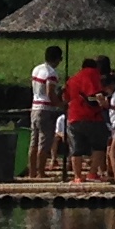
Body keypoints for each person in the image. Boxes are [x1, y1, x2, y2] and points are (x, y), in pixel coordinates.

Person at [62, 52, 110, 181]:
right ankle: (92, 172)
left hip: (73, 117)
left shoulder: (72, 79)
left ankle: (77, 176)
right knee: (99, 145)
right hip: (91, 116)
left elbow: (65, 98)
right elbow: (96, 93)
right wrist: (105, 104)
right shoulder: (92, 74)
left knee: (76, 148)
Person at [27, 42, 66, 178]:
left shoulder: (37, 69)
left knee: (34, 141)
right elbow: (50, 92)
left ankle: (32, 171)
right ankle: (41, 172)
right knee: (44, 142)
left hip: (34, 107)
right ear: (57, 59)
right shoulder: (51, 73)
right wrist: (60, 104)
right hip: (45, 109)